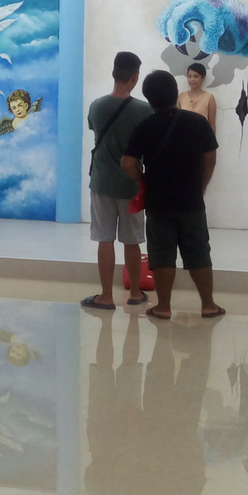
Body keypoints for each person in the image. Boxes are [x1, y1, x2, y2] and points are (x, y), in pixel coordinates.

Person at [122, 70, 224, 320]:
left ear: (149, 99)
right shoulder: (197, 123)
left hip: (159, 201)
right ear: (174, 93)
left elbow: (127, 163)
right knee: (199, 252)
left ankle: (163, 307)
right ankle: (208, 305)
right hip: (191, 199)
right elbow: (210, 158)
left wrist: (142, 179)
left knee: (162, 254)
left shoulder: (145, 126)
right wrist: (201, 185)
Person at [81, 51, 153, 310]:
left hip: (102, 182)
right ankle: (134, 292)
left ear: (113, 73)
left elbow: (95, 130)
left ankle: (106, 296)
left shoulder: (97, 107)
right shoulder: (144, 111)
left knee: (105, 239)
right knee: (132, 241)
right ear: (135, 77)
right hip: (132, 184)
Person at [177, 62, 217, 133]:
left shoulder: (209, 98)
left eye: (196, 76)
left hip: (202, 137)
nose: (192, 79)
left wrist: (212, 139)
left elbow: (211, 123)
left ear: (203, 78)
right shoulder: (181, 97)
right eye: (189, 76)